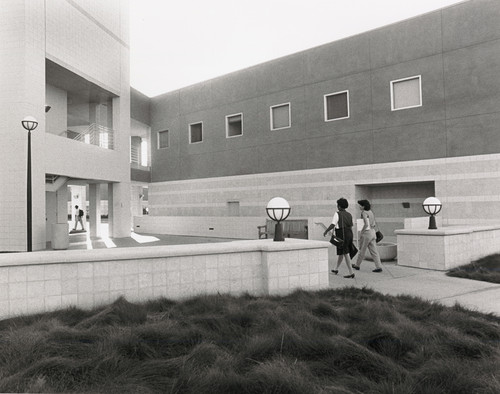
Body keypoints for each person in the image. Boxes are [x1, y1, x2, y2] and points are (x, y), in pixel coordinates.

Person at [323, 197, 355, 278]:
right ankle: (336, 269)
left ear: (339, 206)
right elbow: (351, 226)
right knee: (341, 252)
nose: (337, 206)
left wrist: (326, 231)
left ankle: (351, 273)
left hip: (341, 234)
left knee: (345, 253)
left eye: (338, 205)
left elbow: (333, 224)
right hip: (349, 233)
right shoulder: (349, 214)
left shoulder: (337, 213)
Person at [352, 199, 382, 272]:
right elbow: (373, 223)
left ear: (363, 206)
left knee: (362, 250)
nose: (359, 206)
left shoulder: (364, 213)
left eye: (360, 205)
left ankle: (357, 265)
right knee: (374, 251)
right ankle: (379, 266)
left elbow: (366, 224)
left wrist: (361, 232)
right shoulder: (371, 212)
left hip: (366, 233)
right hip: (373, 232)